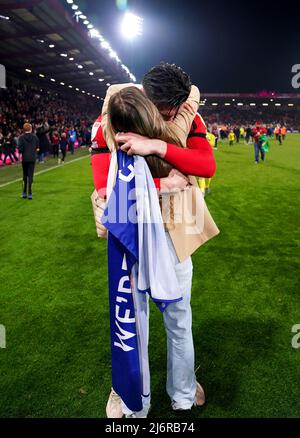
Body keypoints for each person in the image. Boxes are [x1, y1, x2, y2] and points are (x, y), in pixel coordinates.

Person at [91, 63, 216, 418]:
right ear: (148, 99)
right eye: (167, 109)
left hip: (174, 224)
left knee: (178, 315)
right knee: (131, 317)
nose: (173, 115)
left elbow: (205, 165)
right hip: (132, 226)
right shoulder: (118, 111)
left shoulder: (187, 114)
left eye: (177, 108)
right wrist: (163, 183)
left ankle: (184, 387)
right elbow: (106, 188)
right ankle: (126, 390)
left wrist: (155, 147)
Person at [18, 123, 39, 199]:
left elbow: (20, 150)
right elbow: (37, 148)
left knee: (24, 175)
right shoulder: (35, 137)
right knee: (30, 175)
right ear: (30, 129)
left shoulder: (21, 138)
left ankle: (24, 193)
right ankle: (30, 193)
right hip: (32, 158)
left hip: (25, 159)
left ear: (24, 129)